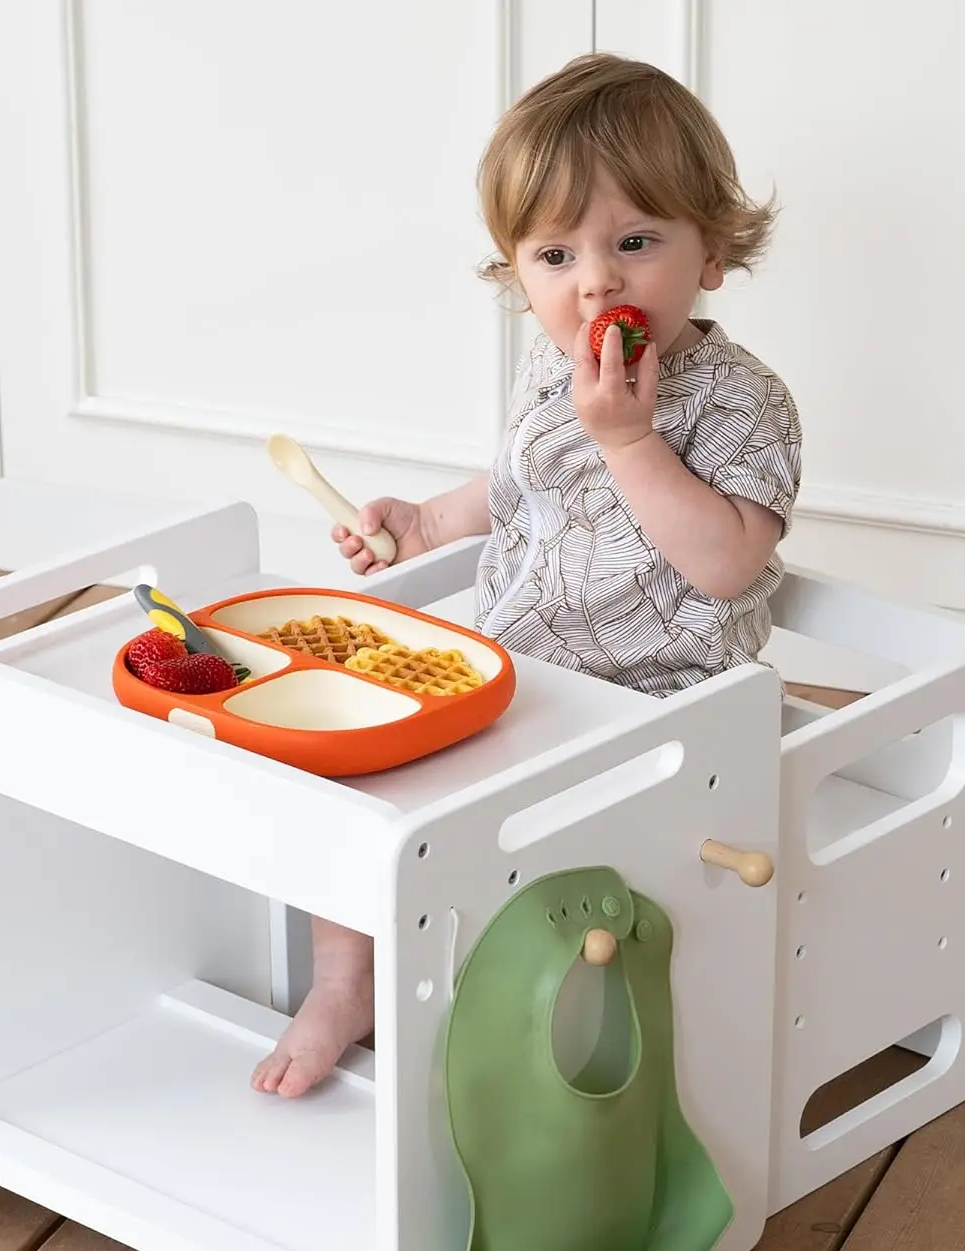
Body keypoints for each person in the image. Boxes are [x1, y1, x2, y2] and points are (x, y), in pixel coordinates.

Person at [251, 51, 802, 1099]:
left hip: (657, 710)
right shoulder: (556, 365)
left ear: (714, 251)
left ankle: (503, 1032)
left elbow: (730, 564)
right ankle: (345, 982)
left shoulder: (742, 401)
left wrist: (632, 440)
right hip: (510, 673)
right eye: (556, 254)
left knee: (493, 839)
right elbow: (524, 482)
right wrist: (428, 521)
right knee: (349, 764)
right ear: (517, 272)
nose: (596, 282)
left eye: (635, 242)